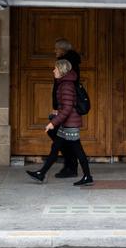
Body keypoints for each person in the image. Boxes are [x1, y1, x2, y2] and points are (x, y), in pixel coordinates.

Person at [26, 58, 93, 186]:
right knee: (55, 148)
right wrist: (58, 112)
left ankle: (88, 176)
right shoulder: (65, 83)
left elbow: (68, 108)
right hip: (67, 123)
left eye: (55, 68)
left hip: (70, 124)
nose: (53, 70)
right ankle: (41, 173)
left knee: (78, 151)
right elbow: (67, 105)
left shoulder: (66, 85)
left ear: (61, 70)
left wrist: (53, 123)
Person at [49, 39, 82, 178]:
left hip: (65, 107)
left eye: (56, 49)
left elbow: (64, 89)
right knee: (67, 141)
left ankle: (71, 167)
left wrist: (59, 108)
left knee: (63, 139)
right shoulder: (69, 61)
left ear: (62, 50)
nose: (55, 51)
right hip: (64, 106)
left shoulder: (65, 63)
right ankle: (72, 167)